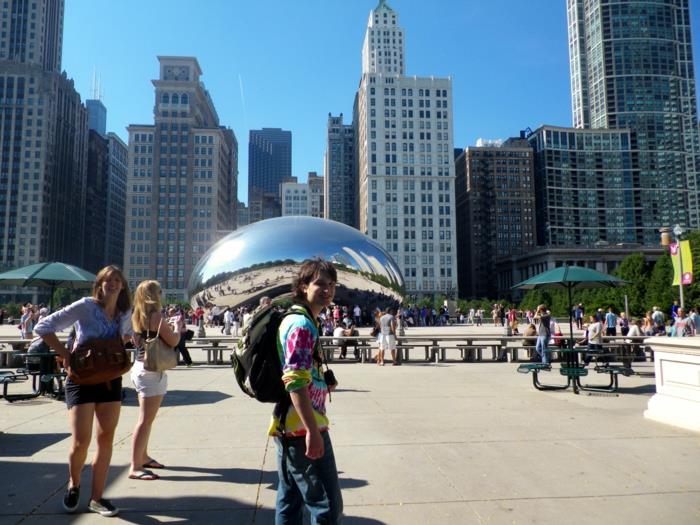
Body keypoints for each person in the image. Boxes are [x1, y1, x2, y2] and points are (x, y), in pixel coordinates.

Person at [34, 265, 132, 517]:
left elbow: (130, 336)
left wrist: (140, 340)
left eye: (117, 280)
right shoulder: (86, 306)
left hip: (110, 380)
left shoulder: (124, 312)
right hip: (81, 379)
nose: (112, 284)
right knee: (81, 441)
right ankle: (74, 483)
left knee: (106, 439)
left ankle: (97, 498)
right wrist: (65, 354)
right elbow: (43, 326)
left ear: (122, 286)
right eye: (107, 280)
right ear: (99, 284)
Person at [269, 259, 342, 524]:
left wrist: (322, 382)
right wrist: (312, 431)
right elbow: (294, 381)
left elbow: (301, 374)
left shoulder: (303, 318)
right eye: (320, 283)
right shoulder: (301, 325)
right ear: (303, 286)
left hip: (287, 424)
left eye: (332, 284)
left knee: (289, 502)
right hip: (303, 428)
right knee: (327, 508)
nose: (327, 290)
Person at [129, 280, 180, 481]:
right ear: (154, 295)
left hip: (140, 367)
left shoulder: (136, 315)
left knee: (146, 420)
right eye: (159, 292)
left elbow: (135, 340)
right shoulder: (156, 316)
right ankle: (135, 465)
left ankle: (143, 456)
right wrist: (176, 326)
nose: (162, 294)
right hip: (151, 371)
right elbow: (173, 340)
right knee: (145, 420)